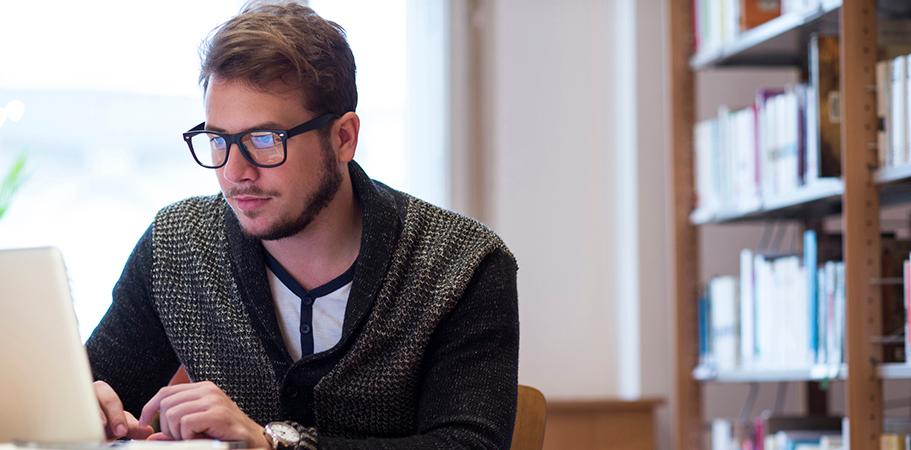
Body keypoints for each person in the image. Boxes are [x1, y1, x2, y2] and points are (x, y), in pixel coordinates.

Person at [85, 2, 519, 449]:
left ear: (343, 138)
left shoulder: (462, 265)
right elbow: (98, 391)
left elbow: (470, 444)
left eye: (265, 140)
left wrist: (271, 444)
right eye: (219, 140)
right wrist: (87, 411)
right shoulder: (178, 245)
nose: (235, 171)